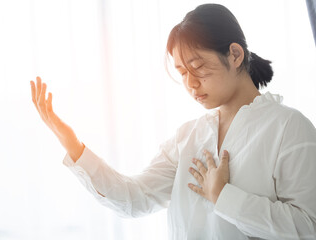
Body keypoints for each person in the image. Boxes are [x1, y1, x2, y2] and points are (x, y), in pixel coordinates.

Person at [30, 3, 316, 239]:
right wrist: (71, 143)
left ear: (235, 54)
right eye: (181, 72)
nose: (191, 84)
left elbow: (308, 228)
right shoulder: (188, 136)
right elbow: (133, 198)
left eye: (198, 67)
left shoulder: (290, 128)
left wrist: (223, 196)